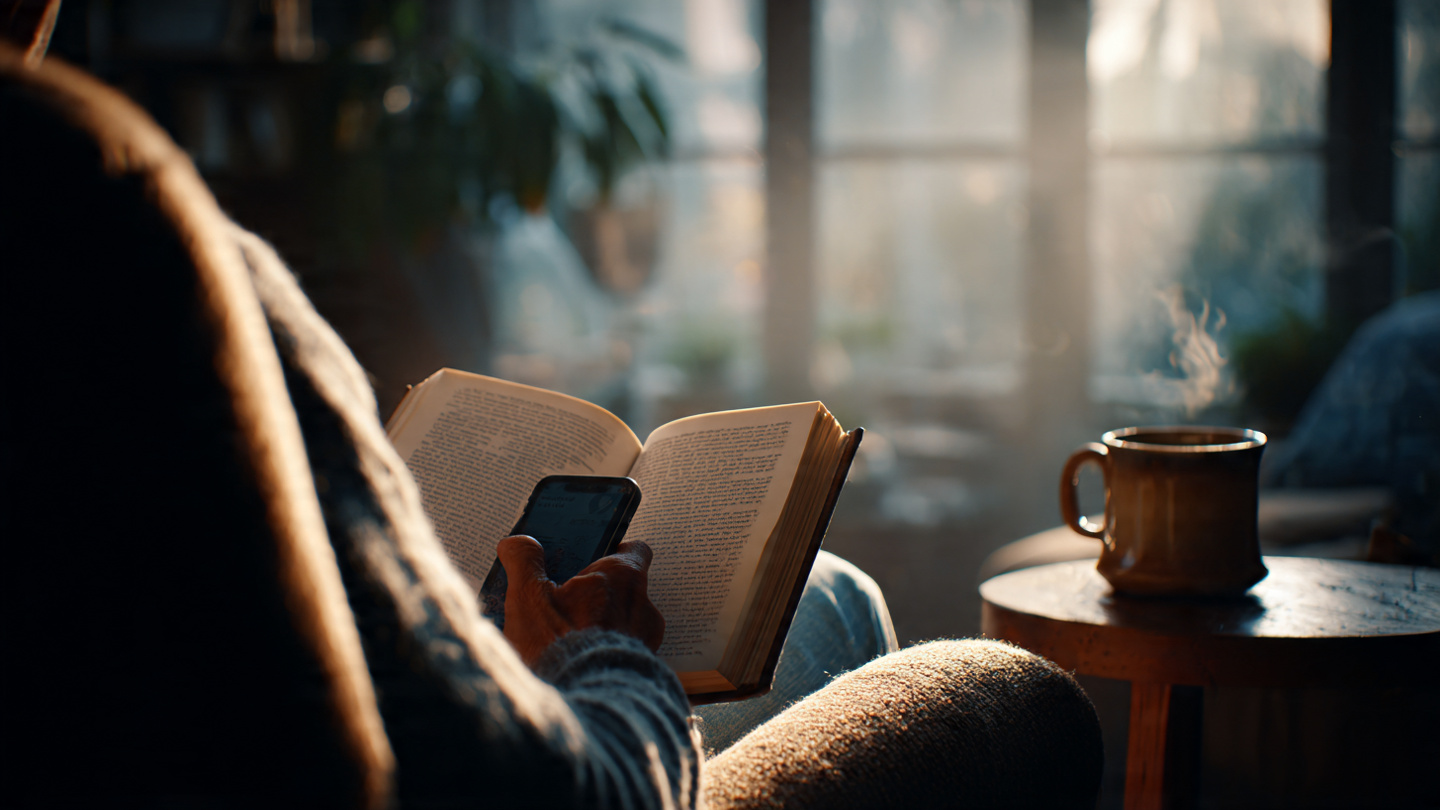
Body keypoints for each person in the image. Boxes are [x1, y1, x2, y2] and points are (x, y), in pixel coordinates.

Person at [1, 27, 1103, 809]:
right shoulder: (94, 199)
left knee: (813, 592)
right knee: (966, 667)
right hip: (542, 753)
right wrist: (608, 661)